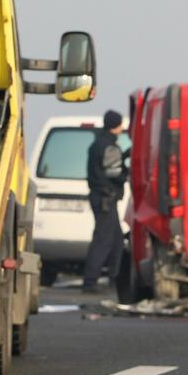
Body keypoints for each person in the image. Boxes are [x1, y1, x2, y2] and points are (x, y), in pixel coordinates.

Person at [82, 110, 128, 294]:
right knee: (103, 240)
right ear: (116, 125)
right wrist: (126, 174)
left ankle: (114, 279)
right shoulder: (110, 146)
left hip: (101, 196)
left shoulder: (98, 143)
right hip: (105, 198)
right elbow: (113, 172)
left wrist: (123, 158)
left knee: (117, 240)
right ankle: (90, 282)